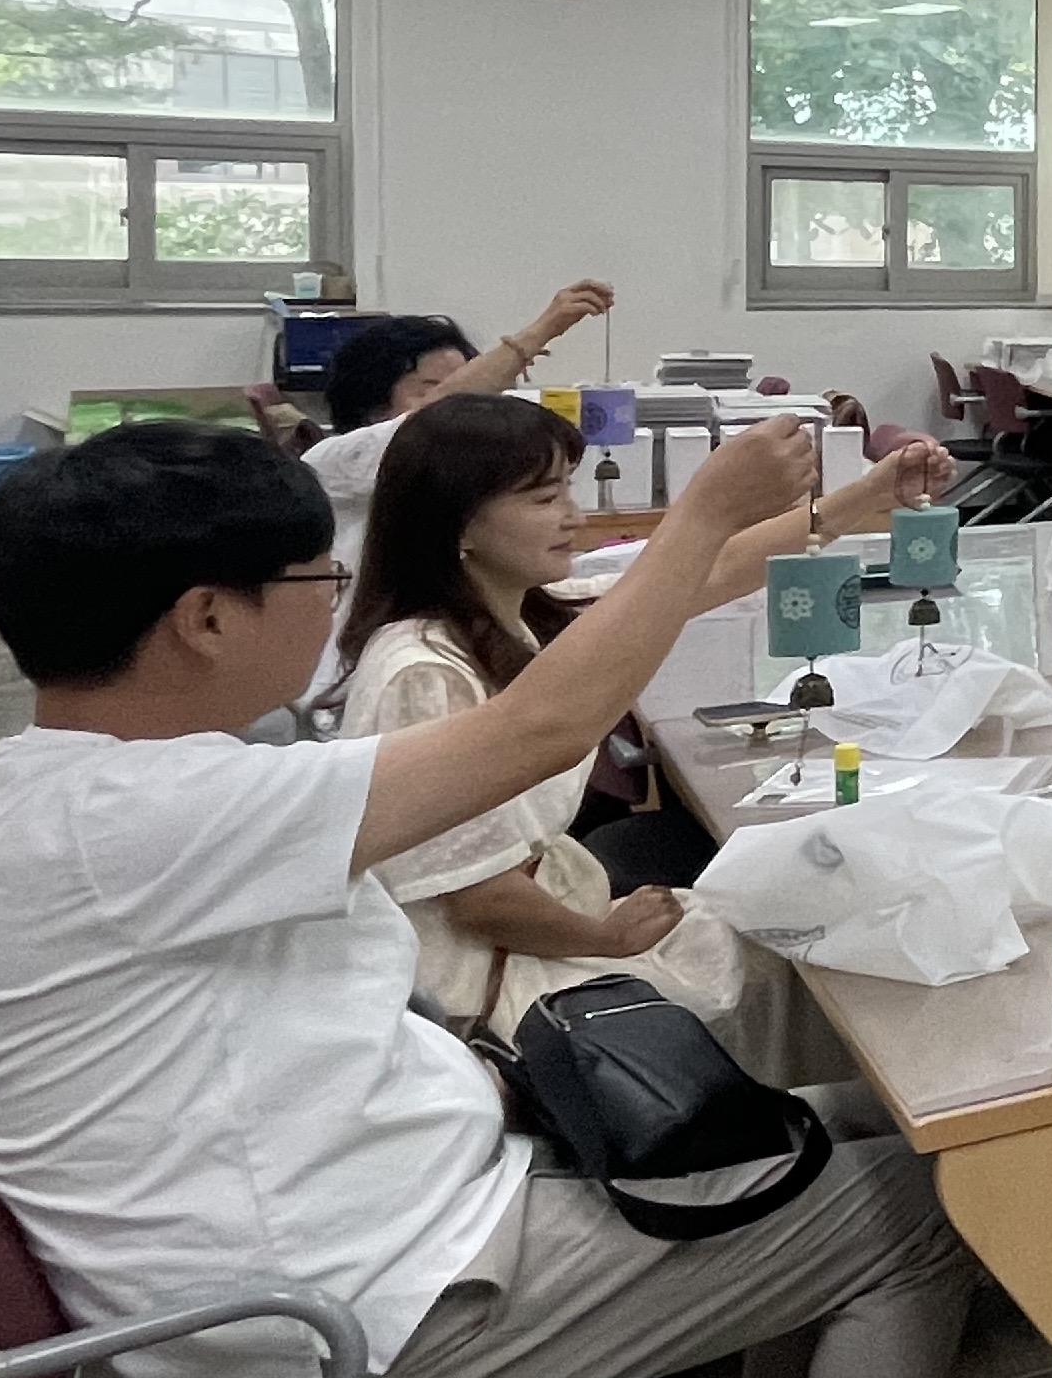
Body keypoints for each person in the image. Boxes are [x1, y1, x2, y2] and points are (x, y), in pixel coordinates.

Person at [0, 414, 1042, 1378]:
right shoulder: (140, 818)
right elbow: (545, 726)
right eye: (312, 581)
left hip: (377, 1238)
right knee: (926, 1201)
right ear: (204, 618)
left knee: (856, 1122)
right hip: (352, 1342)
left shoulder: (70, 794)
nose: (333, 604)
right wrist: (705, 507)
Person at [331, 394, 951, 1057]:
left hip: (552, 918)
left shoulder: (519, 618)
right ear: (458, 524)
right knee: (803, 958)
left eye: (568, 490)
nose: (573, 516)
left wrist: (870, 494)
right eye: (544, 499)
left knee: (804, 917)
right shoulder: (424, 673)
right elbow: (481, 900)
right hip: (493, 979)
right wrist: (604, 938)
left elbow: (707, 573)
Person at [306, 281, 616, 584]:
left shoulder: (464, 478)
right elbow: (428, 419)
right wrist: (542, 329)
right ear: (371, 403)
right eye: (432, 388)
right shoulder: (332, 464)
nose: (464, 411)